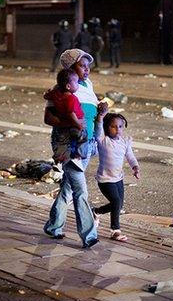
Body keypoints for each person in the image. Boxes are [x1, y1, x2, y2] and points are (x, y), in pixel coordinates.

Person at [43, 48, 107, 249]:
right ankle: (89, 236)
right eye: (82, 65)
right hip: (70, 146)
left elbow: (92, 115)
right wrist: (72, 123)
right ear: (71, 68)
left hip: (86, 145)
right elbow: (48, 118)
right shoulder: (61, 90)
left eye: (88, 65)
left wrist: (102, 114)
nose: (87, 69)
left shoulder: (87, 85)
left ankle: (54, 226)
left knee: (68, 188)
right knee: (81, 191)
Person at [92, 111, 140, 242]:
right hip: (105, 179)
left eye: (120, 126)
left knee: (119, 205)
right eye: (113, 126)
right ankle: (115, 231)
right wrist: (100, 117)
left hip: (118, 178)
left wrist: (135, 167)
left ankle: (96, 211)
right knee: (116, 201)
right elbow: (98, 128)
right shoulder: (103, 140)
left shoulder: (125, 141)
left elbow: (130, 156)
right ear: (106, 128)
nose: (117, 129)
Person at [43, 68, 88, 161]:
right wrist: (78, 125)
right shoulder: (71, 98)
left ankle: (60, 157)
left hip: (64, 125)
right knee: (83, 138)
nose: (78, 85)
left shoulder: (56, 94)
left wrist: (47, 94)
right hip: (75, 123)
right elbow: (71, 113)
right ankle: (79, 155)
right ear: (68, 86)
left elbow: (47, 96)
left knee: (63, 142)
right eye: (76, 83)